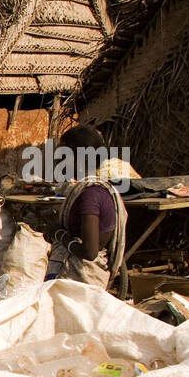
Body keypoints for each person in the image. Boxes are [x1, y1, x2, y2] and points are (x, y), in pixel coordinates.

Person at [47, 124, 134, 289]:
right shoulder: (88, 190)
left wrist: (58, 234)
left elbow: (89, 252)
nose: (57, 160)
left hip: (82, 281)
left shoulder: (90, 195)